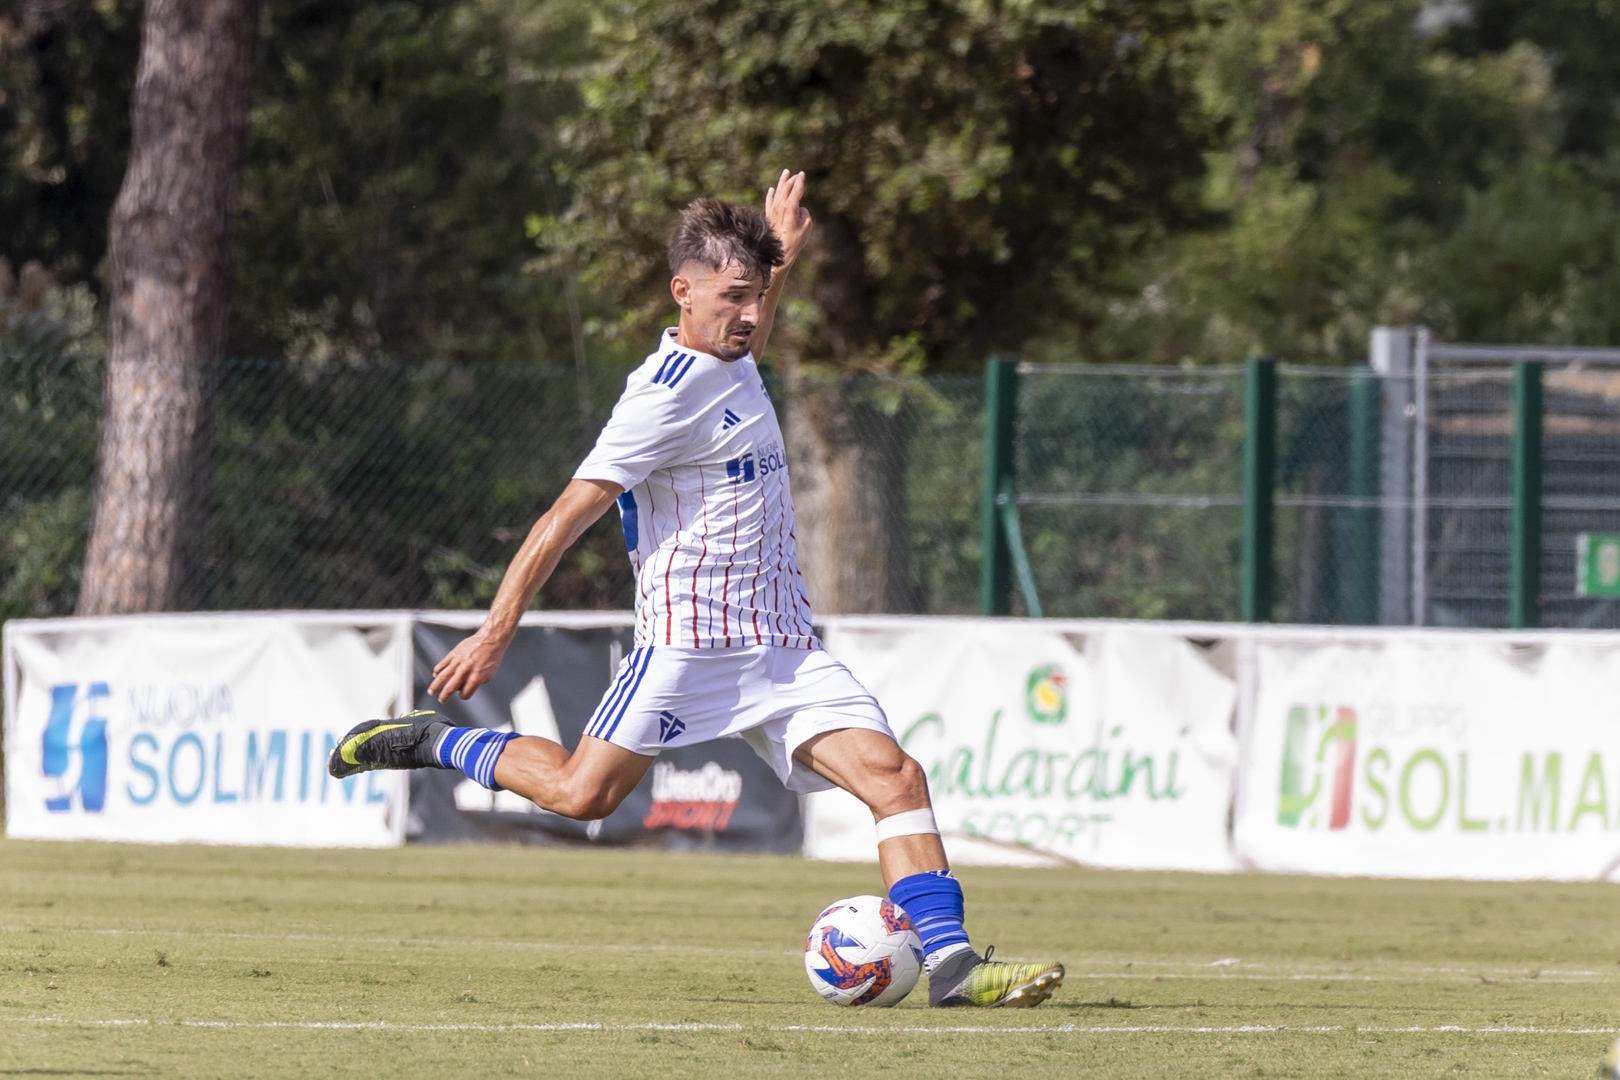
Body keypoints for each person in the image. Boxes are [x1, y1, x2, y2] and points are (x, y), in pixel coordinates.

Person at [328, 171, 1065, 1008]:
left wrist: (779, 255)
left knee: (896, 777)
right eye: (732, 297)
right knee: (580, 795)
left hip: (783, 650)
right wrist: (496, 631)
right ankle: (433, 742)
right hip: (686, 649)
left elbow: (755, 313)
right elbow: (562, 518)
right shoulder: (661, 398)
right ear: (683, 293)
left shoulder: (735, 357)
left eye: (756, 295)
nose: (750, 314)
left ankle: (954, 966)